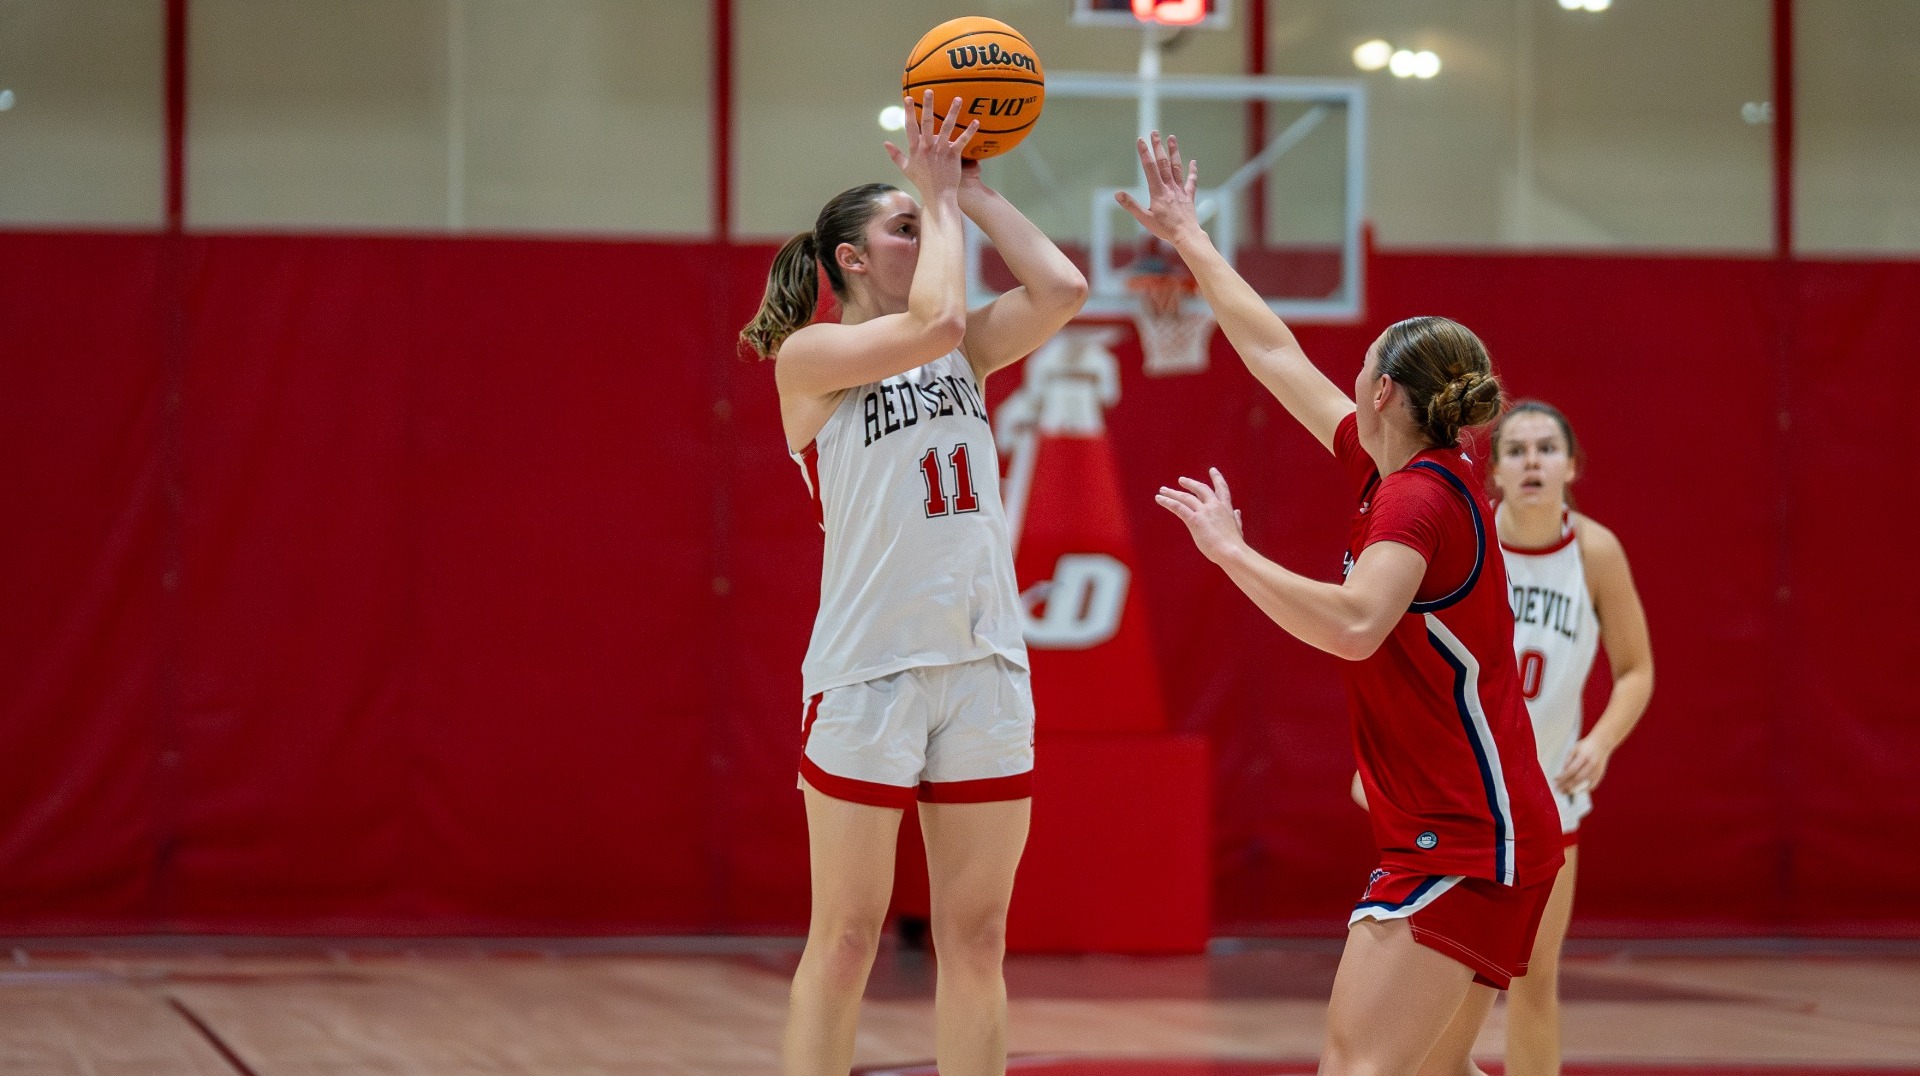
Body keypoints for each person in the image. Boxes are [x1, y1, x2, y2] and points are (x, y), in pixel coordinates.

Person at [1121, 132, 1562, 1076]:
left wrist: (1231, 551)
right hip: (1480, 828)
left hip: (1461, 837)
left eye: (1358, 367)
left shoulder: (1415, 498)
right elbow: (1276, 352)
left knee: (1357, 1070)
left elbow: (1357, 625)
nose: (1344, 380)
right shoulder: (1406, 469)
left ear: (1385, 391)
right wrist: (1191, 239)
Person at [737, 92, 1087, 1076]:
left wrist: (969, 193)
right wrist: (934, 196)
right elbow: (933, 321)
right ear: (852, 257)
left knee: (977, 941)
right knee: (845, 939)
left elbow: (1062, 286)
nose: (920, 226)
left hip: (981, 662)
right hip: (870, 670)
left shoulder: (964, 346)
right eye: (901, 224)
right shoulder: (813, 360)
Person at [1487, 400, 1655, 1076]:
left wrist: (1603, 740)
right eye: (1517, 449)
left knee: (1533, 976)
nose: (1532, 461)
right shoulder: (1468, 543)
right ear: (1493, 470)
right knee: (1448, 977)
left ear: (1571, 465)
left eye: (1546, 448)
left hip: (1548, 798)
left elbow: (1636, 669)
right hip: (1463, 794)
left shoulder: (1594, 549)